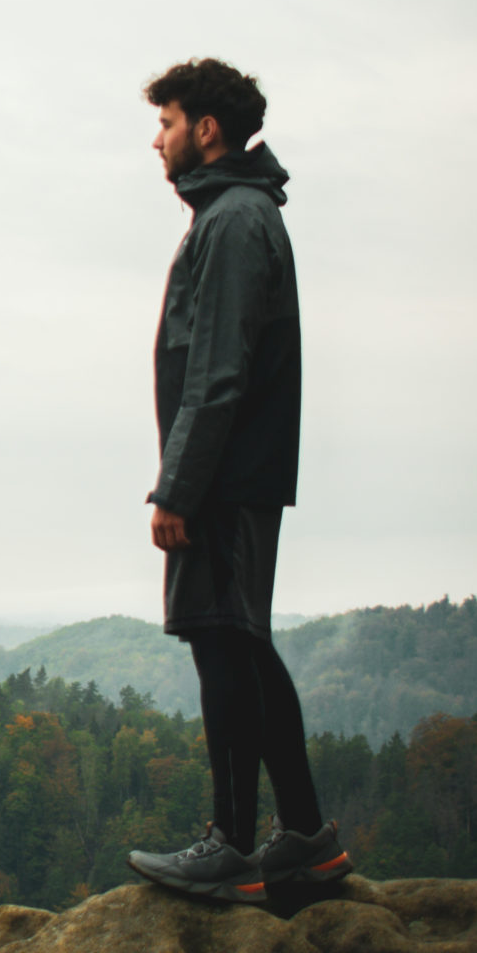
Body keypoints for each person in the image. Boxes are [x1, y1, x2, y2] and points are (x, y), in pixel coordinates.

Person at [127, 57, 351, 904]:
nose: (157, 140)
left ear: (206, 129)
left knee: (221, 637)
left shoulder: (232, 220)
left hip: (221, 478)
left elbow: (216, 373)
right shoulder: (239, 214)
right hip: (239, 471)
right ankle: (302, 840)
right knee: (241, 639)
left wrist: (177, 488)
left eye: (167, 122)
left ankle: (230, 845)